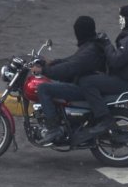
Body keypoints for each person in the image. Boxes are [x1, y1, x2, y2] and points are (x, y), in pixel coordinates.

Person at [78, 5, 128, 135]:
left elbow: (115, 61)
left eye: (122, 18)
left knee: (86, 81)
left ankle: (103, 118)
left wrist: (106, 42)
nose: (119, 21)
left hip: (124, 81)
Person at [33, 16, 105, 144]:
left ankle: (53, 129)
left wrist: (44, 71)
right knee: (55, 85)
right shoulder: (90, 45)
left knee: (44, 88)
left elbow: (70, 67)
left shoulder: (90, 50)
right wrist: (53, 63)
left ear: (81, 31)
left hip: (83, 87)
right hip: (84, 83)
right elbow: (72, 60)